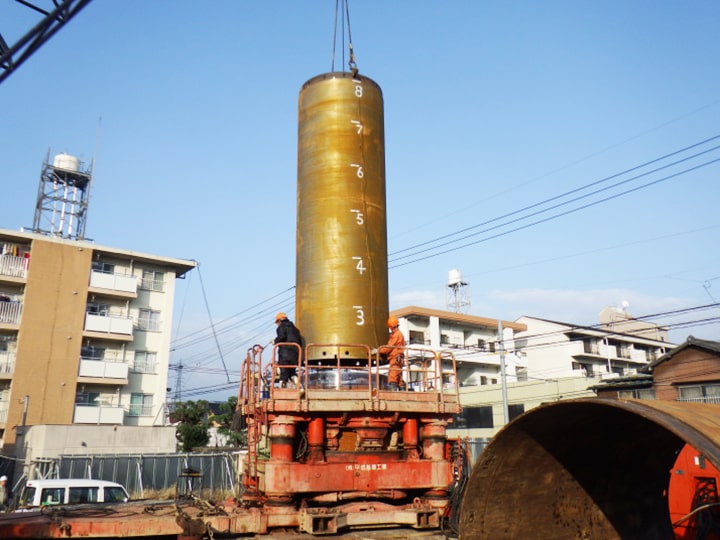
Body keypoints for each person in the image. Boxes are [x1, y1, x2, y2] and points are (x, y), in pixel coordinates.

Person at [274, 312, 303, 389]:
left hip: (285, 353)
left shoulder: (281, 327)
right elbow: (300, 341)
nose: (277, 324)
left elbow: (282, 336)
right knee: (292, 371)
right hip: (295, 353)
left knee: (284, 371)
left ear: (279, 320)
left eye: (277, 322)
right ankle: (300, 386)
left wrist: (275, 341)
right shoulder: (295, 329)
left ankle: (282, 388)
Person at [378, 316, 406, 390]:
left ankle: (393, 391)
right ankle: (402, 393)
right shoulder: (398, 334)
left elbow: (389, 347)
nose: (390, 329)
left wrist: (379, 350)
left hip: (395, 358)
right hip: (399, 358)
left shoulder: (397, 335)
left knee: (393, 376)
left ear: (392, 326)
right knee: (399, 377)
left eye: (390, 327)